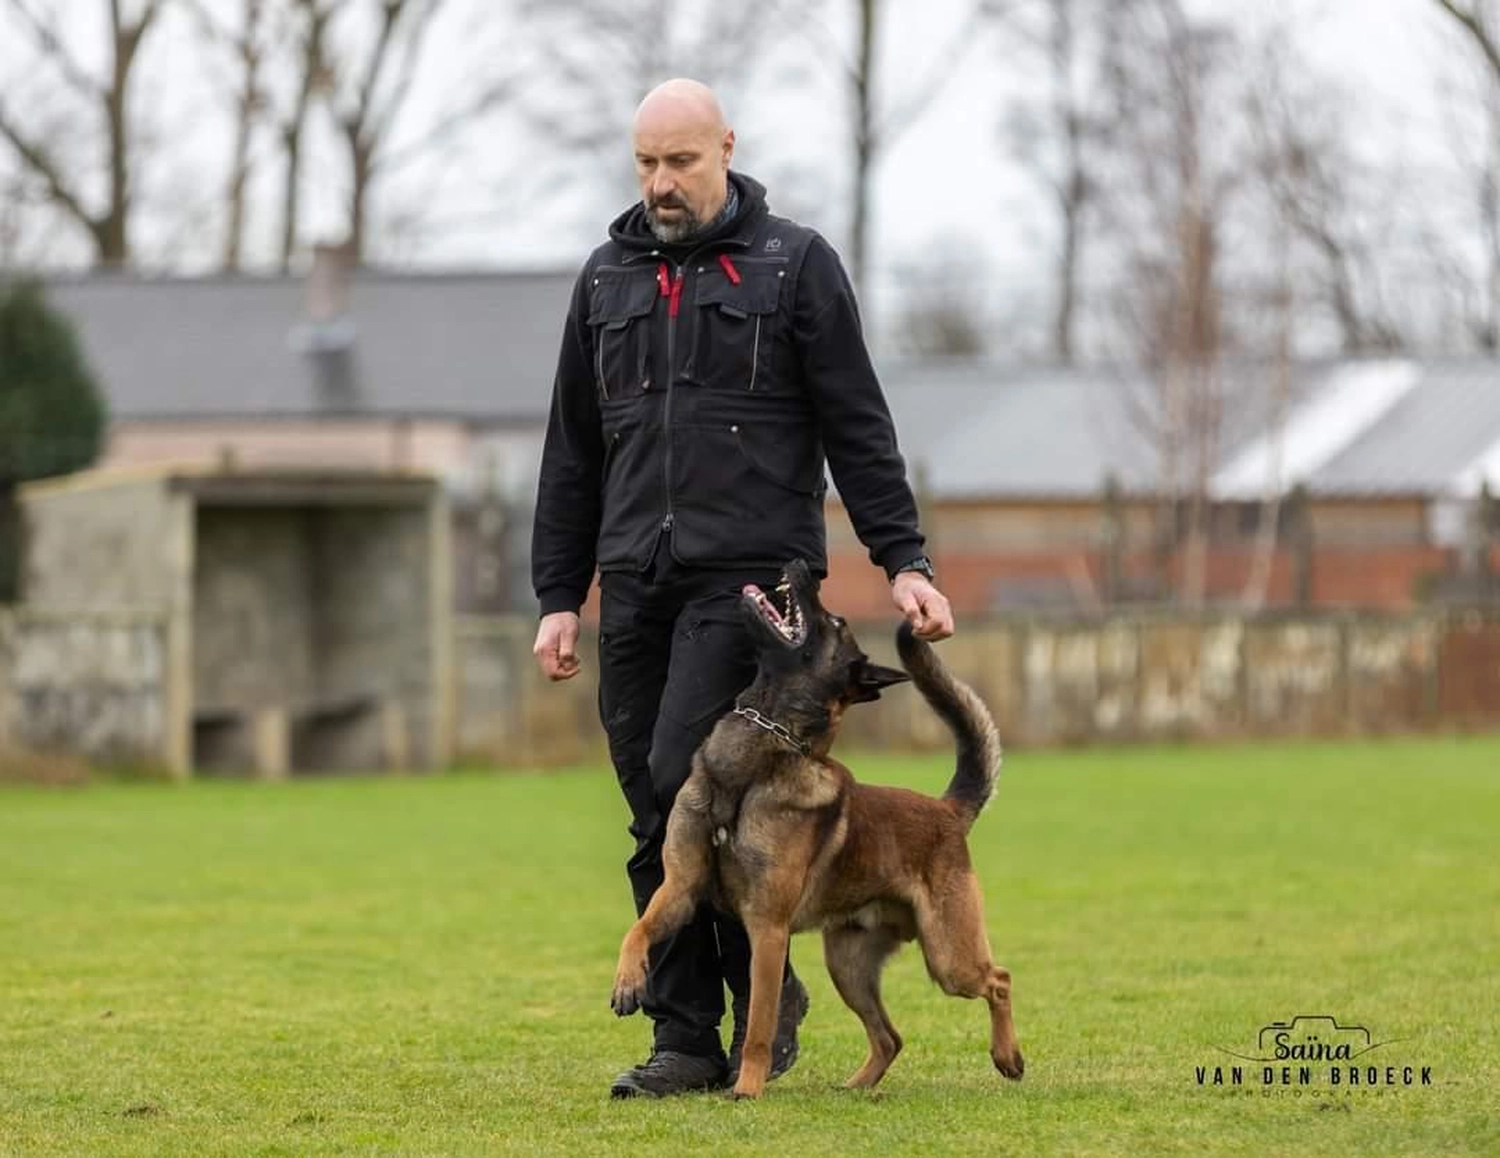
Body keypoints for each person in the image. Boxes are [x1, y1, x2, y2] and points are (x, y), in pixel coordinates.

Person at [530, 78, 954, 1099]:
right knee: (652, 807)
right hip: (635, 577)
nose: (662, 183)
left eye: (680, 160)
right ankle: (690, 1038)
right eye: (646, 164)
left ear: (725, 147)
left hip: (753, 586)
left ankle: (743, 1007)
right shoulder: (604, 280)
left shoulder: (793, 266)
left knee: (688, 769)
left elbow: (858, 421)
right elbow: (572, 451)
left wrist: (905, 561)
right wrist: (558, 591)